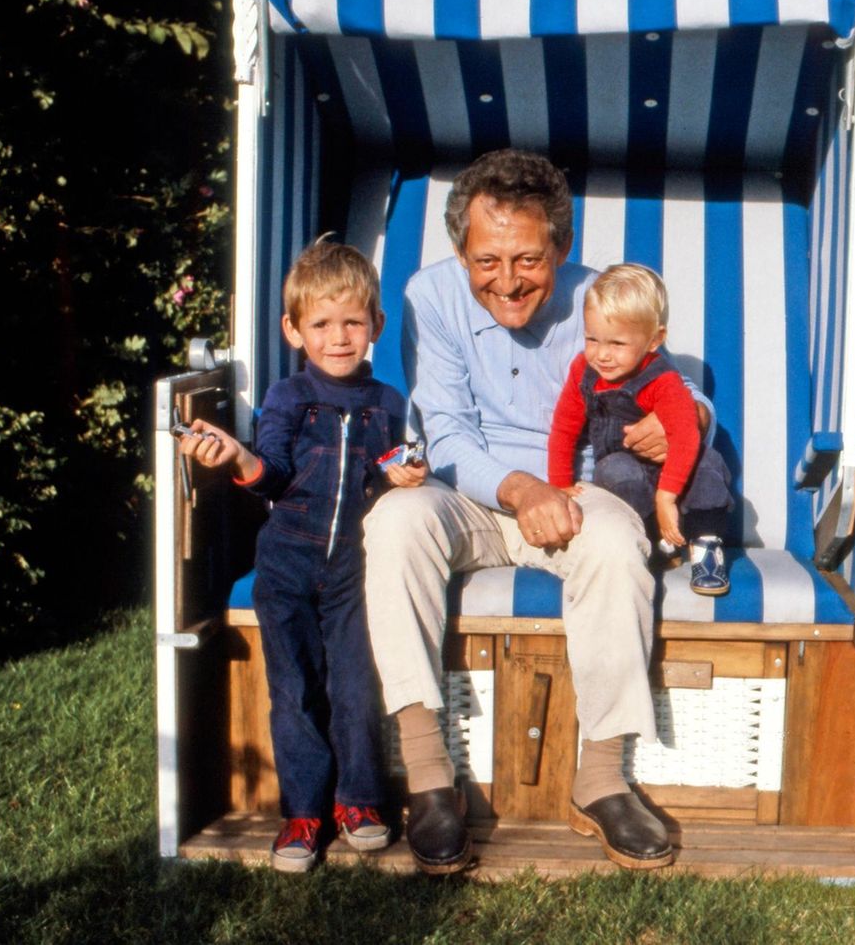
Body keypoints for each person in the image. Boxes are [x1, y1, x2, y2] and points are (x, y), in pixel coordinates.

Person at [363, 149, 713, 873]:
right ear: (460, 251)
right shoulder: (430, 296)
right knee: (394, 522)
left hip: (576, 492)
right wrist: (523, 490)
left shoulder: (598, 293)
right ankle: (428, 777)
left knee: (617, 543)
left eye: (528, 259)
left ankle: (602, 779)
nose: (507, 281)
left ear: (562, 245)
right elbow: (445, 432)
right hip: (468, 489)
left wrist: (690, 419)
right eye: (486, 261)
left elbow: (669, 378)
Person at [178, 237, 427, 872]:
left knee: (355, 685)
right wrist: (237, 458)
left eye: (352, 322)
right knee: (293, 691)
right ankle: (304, 812)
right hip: (286, 565)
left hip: (353, 571)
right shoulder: (288, 398)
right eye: (321, 324)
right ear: (294, 330)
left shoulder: (388, 404)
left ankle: (360, 801)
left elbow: (380, 475)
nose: (338, 338)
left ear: (376, 325)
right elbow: (274, 473)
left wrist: (401, 473)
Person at [547, 262, 733, 595]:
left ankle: (706, 544)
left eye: (617, 344)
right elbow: (564, 427)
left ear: (654, 340)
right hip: (625, 466)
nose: (602, 355)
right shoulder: (583, 372)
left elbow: (686, 435)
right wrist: (560, 483)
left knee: (708, 465)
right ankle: (652, 540)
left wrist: (667, 495)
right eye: (592, 339)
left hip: (673, 466)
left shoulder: (664, 381)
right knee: (615, 471)